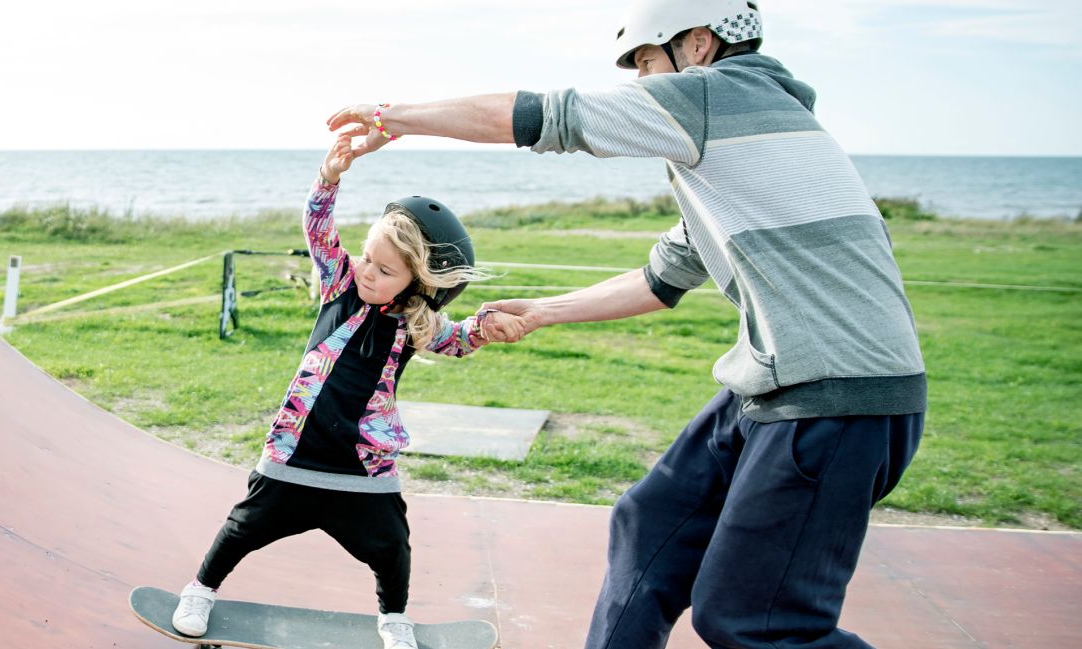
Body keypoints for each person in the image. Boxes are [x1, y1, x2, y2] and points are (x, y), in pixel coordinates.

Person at [324, 1, 926, 648]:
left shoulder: (711, 97)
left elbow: (538, 117)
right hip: (781, 382)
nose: (642, 82)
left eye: (645, 61)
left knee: (755, 622)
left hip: (837, 396)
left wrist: (397, 116)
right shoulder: (751, 142)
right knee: (649, 523)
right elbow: (660, 280)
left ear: (698, 45)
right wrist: (544, 311)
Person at [172, 131, 508, 649]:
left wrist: (488, 328)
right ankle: (200, 589)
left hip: (363, 467)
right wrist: (329, 178)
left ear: (417, 282)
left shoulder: (416, 323)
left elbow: (459, 338)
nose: (367, 270)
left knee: (392, 544)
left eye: (384, 269)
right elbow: (319, 229)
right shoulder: (340, 284)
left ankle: (394, 618)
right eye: (368, 258)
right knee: (243, 526)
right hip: (296, 451)